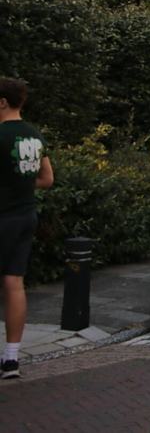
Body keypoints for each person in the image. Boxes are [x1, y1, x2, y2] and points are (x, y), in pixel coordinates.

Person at [0, 78, 54, 379]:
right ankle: (11, 358)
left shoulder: (1, 134)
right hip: (25, 215)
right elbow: (47, 179)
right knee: (14, 283)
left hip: (2, 215)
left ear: (2, 102)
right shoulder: (34, 136)